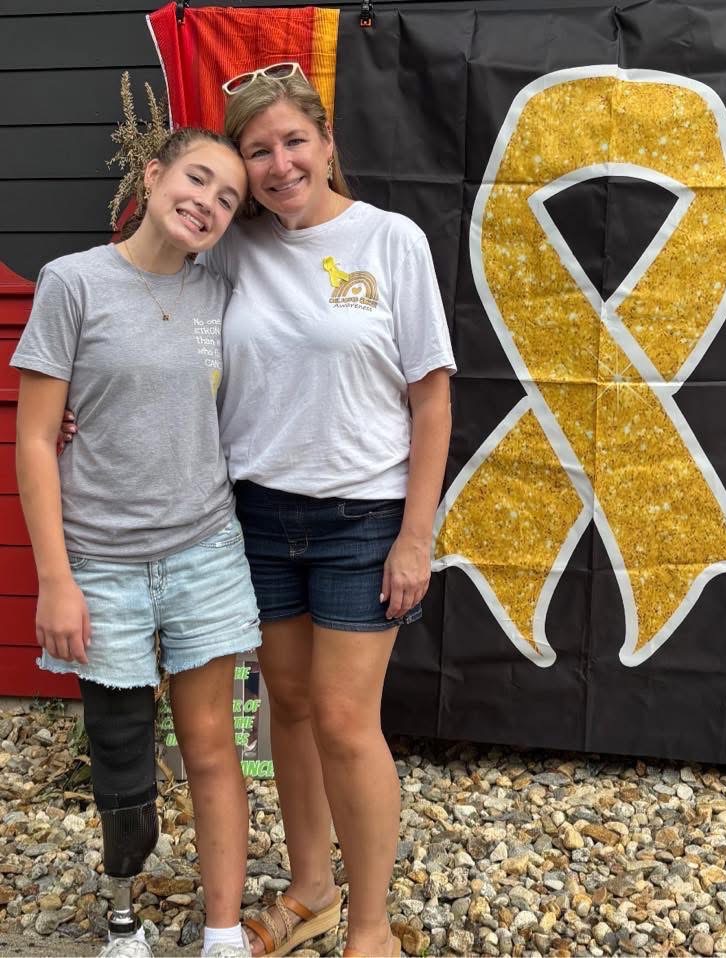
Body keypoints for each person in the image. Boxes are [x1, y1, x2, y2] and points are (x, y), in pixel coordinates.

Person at [207, 62, 455, 958]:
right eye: (257, 151)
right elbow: (145, 301)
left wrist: (417, 537)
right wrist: (82, 396)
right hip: (258, 515)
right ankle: (310, 891)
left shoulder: (390, 240)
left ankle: (371, 926)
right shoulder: (230, 247)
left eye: (293, 142)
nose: (280, 165)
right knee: (291, 706)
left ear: (326, 142)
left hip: (364, 518)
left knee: (347, 720)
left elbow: (432, 397)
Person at [13, 128, 260, 958]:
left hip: (203, 551)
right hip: (101, 562)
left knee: (212, 747)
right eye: (197, 179)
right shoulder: (73, 282)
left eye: (227, 199)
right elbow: (36, 437)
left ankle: (222, 931)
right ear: (153, 176)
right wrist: (56, 579)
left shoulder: (220, 293)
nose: (207, 204)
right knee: (122, 758)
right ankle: (124, 916)